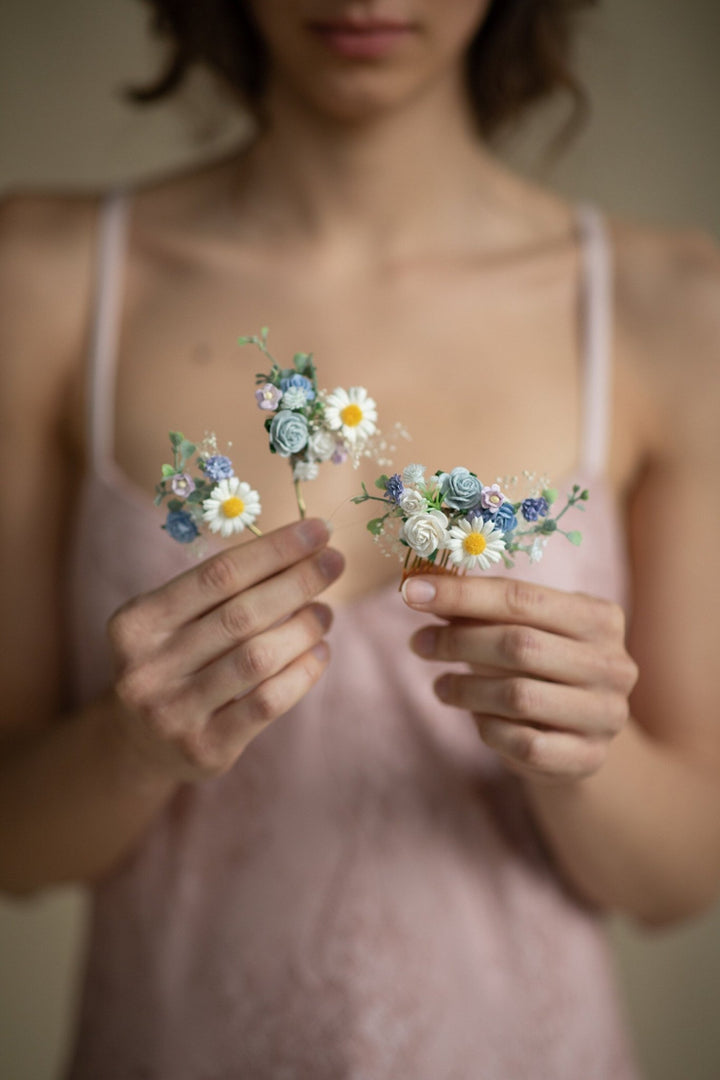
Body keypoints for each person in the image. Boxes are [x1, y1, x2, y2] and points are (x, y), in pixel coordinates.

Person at [1, 1, 719, 1076]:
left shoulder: (675, 306)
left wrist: (580, 759)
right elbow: (12, 846)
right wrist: (128, 746)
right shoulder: (41, 278)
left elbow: (684, 879)